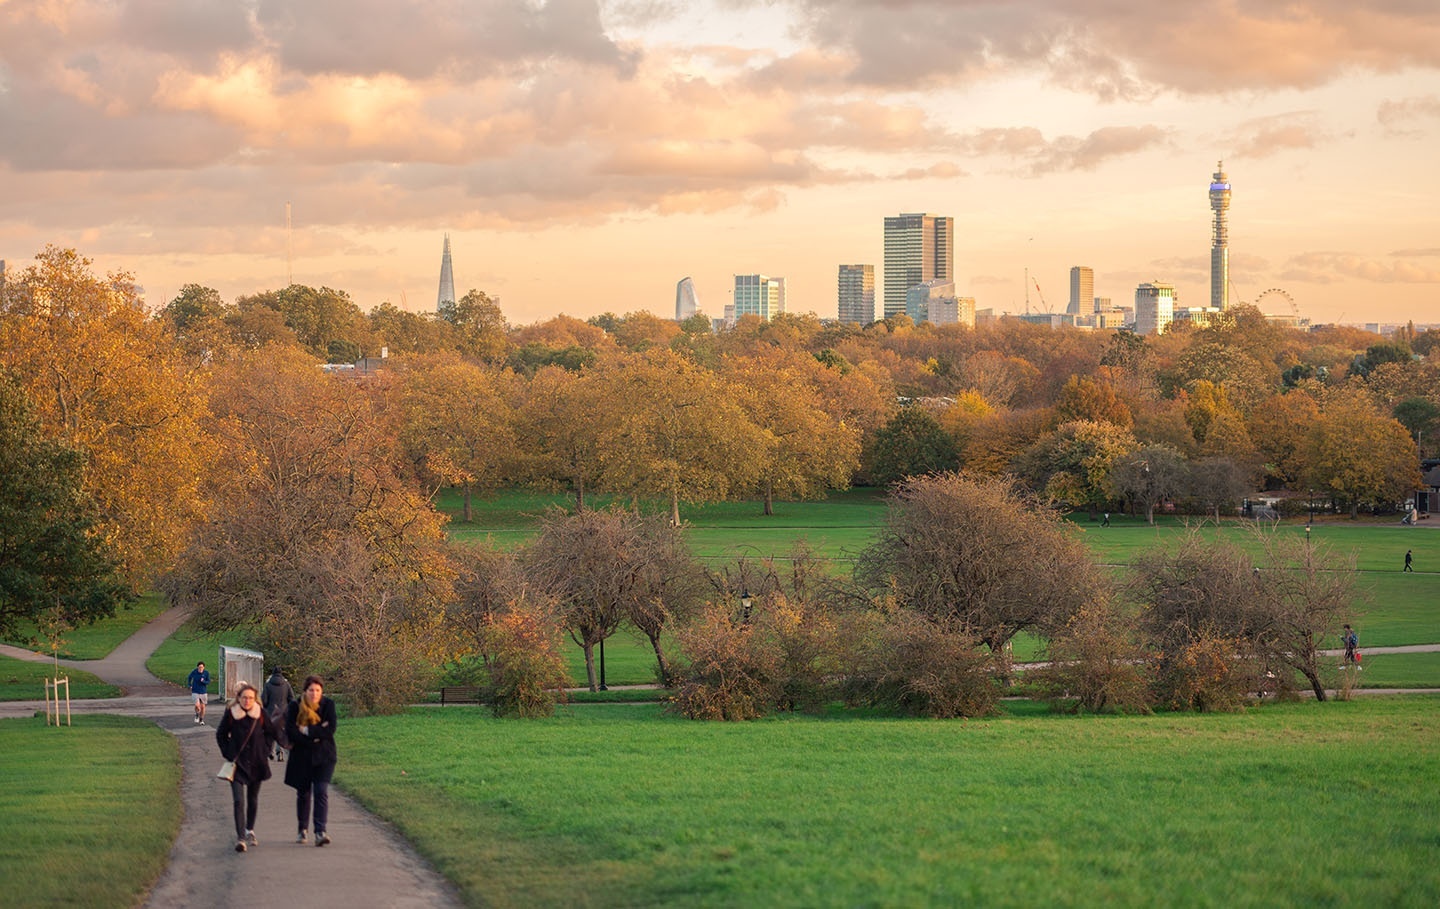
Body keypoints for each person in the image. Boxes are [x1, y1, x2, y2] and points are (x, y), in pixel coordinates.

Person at [216, 682, 278, 853]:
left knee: (252, 798)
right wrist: (228, 752)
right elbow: (220, 734)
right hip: (237, 764)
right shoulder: (232, 713)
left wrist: (266, 750)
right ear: (239, 698)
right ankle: (241, 838)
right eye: (244, 698)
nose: (247, 701)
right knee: (238, 800)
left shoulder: (260, 713)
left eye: (250, 698)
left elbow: (271, 732)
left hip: (257, 762)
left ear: (255, 698)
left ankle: (249, 829)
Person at [285, 675, 338, 847]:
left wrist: (307, 730)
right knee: (303, 793)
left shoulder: (328, 705)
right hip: (302, 757)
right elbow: (291, 731)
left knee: (321, 790)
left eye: (317, 690)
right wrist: (315, 735)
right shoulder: (295, 706)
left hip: (325, 756)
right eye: (311, 690)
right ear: (305, 691)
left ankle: (320, 831)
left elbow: (330, 729)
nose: (314, 694)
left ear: (322, 691)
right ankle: (302, 829)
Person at [262, 668, 295, 762]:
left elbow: (264, 700)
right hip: (283, 713)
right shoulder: (286, 684)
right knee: (281, 733)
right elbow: (292, 698)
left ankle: (270, 751)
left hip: (270, 712)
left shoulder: (268, 685)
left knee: (270, 732)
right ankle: (279, 752)